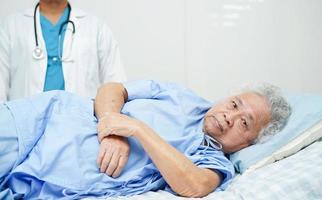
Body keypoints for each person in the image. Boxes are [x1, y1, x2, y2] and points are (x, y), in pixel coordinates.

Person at [0, 80, 291, 199]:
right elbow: (113, 88)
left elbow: (196, 186)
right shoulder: (181, 96)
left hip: (43, 179)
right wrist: (111, 127)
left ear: (249, 143)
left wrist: (136, 130)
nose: (230, 115)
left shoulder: (212, 160)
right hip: (44, 122)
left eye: (244, 122)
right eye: (235, 104)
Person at [0, 0, 126, 102]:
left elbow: (116, 84)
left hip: (82, 123)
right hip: (24, 123)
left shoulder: (96, 27)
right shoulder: (12, 25)